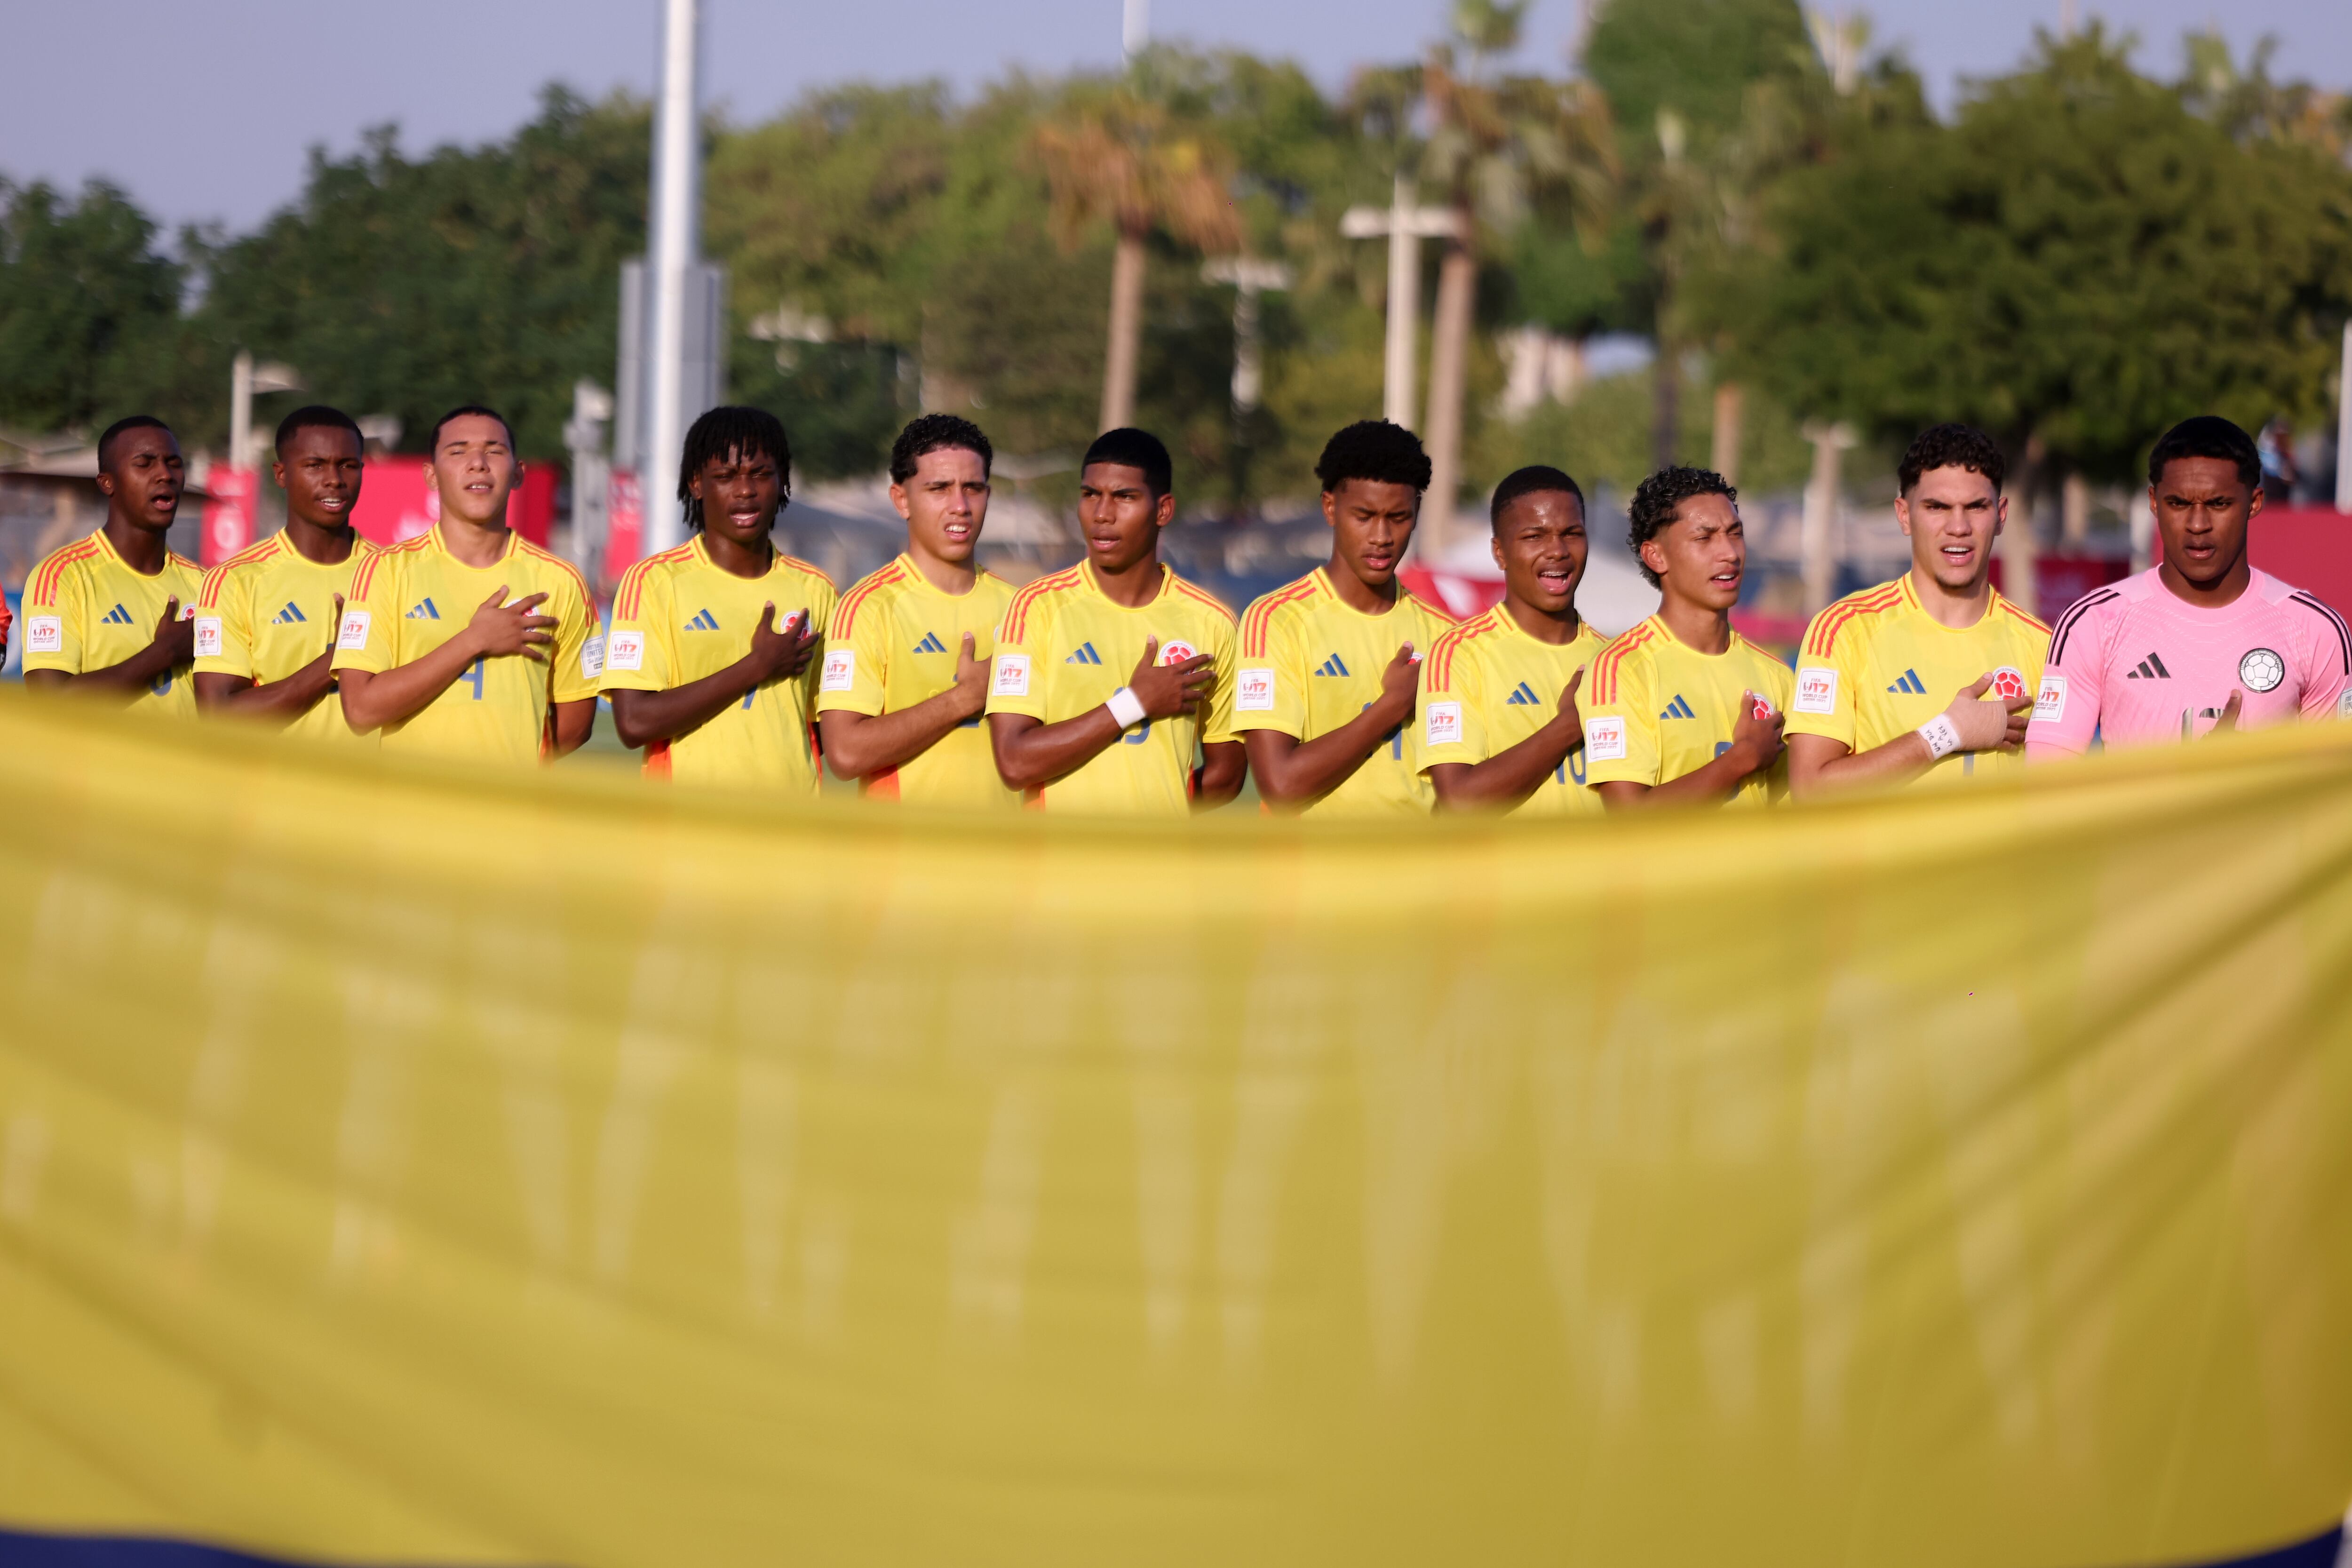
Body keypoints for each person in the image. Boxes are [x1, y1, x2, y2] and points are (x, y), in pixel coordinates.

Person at [2029, 415, 2349, 760]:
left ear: (2254, 503)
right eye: (2179, 504)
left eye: (2219, 504)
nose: (2198, 524)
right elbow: (2046, 786)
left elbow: (2337, 785)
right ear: (2154, 501)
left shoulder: (2315, 629)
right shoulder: (2093, 622)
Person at [985, 427, 1244, 813]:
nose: (1102, 514)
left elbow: (1227, 775)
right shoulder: (1036, 608)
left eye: (1124, 497)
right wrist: (1135, 703)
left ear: (1163, 510)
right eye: (1091, 495)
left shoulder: (1212, 622)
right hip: (1055, 869)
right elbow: (1014, 761)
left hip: (1158, 870)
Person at [1785, 424, 2047, 796]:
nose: (1958, 527)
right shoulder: (1844, 630)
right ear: (1904, 515)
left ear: (2001, 515)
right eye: (1937, 507)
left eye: (1976, 507)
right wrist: (1945, 733)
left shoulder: (2044, 646)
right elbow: (1810, 791)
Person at [333, 405, 599, 762]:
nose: (478, 463)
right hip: (410, 814)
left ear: (518, 473)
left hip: (512, 814)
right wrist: (473, 641)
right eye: (458, 451)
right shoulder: (384, 571)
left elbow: (577, 724)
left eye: (494, 451)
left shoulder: (561, 581)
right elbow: (361, 711)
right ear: (431, 475)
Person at [1233, 421, 1457, 815]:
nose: (1382, 536)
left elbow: (1456, 795)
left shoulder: (1447, 638)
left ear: (1417, 513)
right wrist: (1392, 707)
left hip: (1416, 873)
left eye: (1399, 517)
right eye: (1365, 515)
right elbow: (1281, 783)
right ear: (1330, 507)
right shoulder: (1275, 621)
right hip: (1307, 874)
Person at [601, 406, 831, 786]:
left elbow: (827, 726)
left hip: (789, 832)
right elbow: (633, 722)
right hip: (687, 831)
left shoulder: (817, 589)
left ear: (782, 480)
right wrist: (756, 667)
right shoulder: (654, 582)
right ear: (696, 483)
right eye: (725, 476)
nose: (745, 490)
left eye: (761, 474)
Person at [815, 414, 1016, 806]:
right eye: (939, 488)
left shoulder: (1023, 608)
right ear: (901, 500)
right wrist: (964, 698)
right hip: (901, 862)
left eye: (972, 488)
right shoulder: (867, 607)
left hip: (1004, 861)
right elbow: (845, 753)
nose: (960, 506)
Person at [1581, 465, 1791, 808]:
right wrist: (1743, 758)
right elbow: (1627, 818)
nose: (1730, 554)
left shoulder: (1777, 674)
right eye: (1704, 537)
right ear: (1656, 556)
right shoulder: (1622, 670)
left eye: (1735, 533)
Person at [1412, 465, 1607, 815]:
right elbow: (1459, 801)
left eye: (1572, 533)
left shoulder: (1616, 661)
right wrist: (1568, 726)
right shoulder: (1458, 655)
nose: (1558, 550)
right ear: (1499, 551)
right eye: (1535, 536)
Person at [193, 406, 380, 740]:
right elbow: (217, 717)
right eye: (315, 465)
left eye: (348, 465)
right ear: (281, 474)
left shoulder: (393, 572)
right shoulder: (235, 580)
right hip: (274, 791)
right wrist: (340, 657)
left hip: (376, 791)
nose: (334, 479)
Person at [22, 415, 202, 714]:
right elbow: (49, 704)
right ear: (107, 483)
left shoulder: (208, 586)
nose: (165, 474)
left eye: (174, 463)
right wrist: (166, 652)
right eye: (145, 463)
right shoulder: (61, 577)